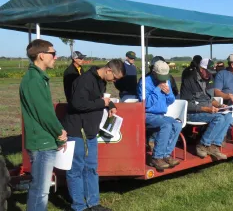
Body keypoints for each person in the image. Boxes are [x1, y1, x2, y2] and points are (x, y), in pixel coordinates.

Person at [63, 59, 125, 211]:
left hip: (90, 132)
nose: (114, 81)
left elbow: (99, 97)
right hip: (78, 131)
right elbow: (77, 104)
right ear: (109, 70)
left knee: (91, 168)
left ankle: (93, 203)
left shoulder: (100, 81)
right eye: (115, 78)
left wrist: (110, 105)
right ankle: (79, 206)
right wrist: (102, 104)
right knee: (76, 170)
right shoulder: (84, 80)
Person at [20, 39, 67, 211]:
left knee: (41, 189)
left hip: (44, 140)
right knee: (40, 190)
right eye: (53, 53)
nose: (56, 57)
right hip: (42, 143)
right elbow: (44, 113)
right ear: (41, 55)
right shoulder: (34, 80)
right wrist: (60, 133)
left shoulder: (39, 78)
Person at [180, 57, 230, 160]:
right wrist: (206, 109)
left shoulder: (210, 79)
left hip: (207, 111)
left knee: (229, 115)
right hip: (192, 113)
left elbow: (210, 99)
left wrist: (220, 106)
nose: (210, 75)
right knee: (219, 118)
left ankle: (214, 145)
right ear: (201, 69)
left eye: (212, 72)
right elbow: (186, 104)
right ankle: (203, 145)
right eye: (208, 72)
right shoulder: (189, 80)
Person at [137, 60, 182, 170]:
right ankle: (156, 157)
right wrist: (157, 89)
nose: (163, 79)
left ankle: (166, 155)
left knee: (177, 124)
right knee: (166, 125)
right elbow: (145, 103)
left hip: (160, 114)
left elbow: (171, 100)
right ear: (154, 72)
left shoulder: (167, 81)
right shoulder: (144, 83)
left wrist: (168, 94)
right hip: (147, 114)